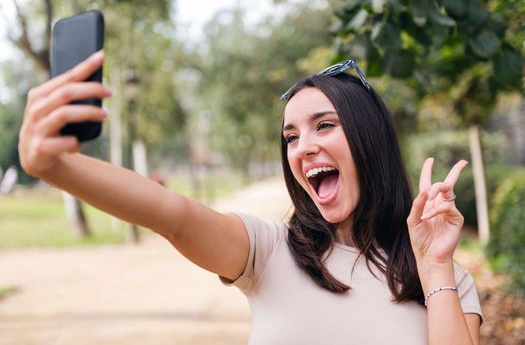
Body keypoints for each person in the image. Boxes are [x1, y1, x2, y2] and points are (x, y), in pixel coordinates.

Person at [18, 51, 482, 344]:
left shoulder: (448, 281)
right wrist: (55, 167)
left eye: (324, 125)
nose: (303, 147)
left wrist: (435, 265)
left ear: (370, 140)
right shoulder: (269, 252)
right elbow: (173, 215)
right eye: (290, 136)